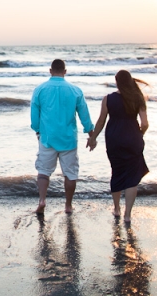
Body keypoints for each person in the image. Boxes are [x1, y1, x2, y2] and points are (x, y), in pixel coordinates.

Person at [31, 59, 95, 214]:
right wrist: (91, 134)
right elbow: (84, 115)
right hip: (69, 139)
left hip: (47, 138)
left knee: (44, 172)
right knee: (71, 173)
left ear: (50, 70)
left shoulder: (40, 89)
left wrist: (38, 131)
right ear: (65, 72)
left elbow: (34, 116)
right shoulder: (75, 90)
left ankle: (42, 200)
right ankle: (68, 205)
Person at [87, 70, 149, 224]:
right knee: (132, 179)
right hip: (133, 138)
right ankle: (127, 214)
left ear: (117, 82)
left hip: (114, 139)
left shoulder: (108, 99)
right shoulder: (138, 98)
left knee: (117, 172)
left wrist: (93, 138)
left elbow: (101, 121)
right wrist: (140, 134)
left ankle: (116, 209)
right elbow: (145, 123)